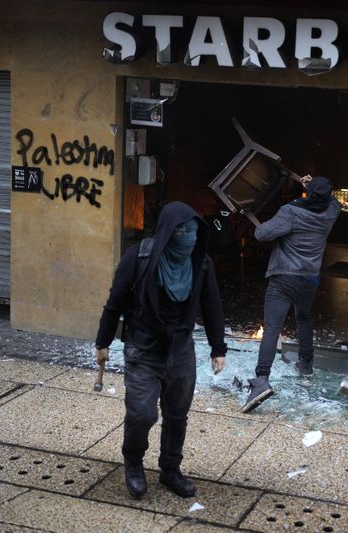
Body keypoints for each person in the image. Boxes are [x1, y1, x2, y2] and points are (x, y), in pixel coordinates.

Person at [94, 201, 227, 499]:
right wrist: (102, 343)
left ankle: (170, 470)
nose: (187, 237)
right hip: (143, 347)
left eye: (192, 231)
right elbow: (115, 301)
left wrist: (219, 348)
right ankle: (133, 462)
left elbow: (212, 305)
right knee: (142, 414)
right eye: (180, 231)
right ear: (167, 231)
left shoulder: (201, 263)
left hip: (180, 349)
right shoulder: (138, 257)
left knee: (177, 414)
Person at [242, 175, 341, 413]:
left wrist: (304, 192)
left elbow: (261, 234)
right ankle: (306, 365)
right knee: (304, 317)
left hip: (284, 278)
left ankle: (262, 379)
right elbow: (333, 200)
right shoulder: (332, 211)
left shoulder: (291, 212)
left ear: (308, 194)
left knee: (272, 327)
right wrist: (313, 188)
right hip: (309, 279)